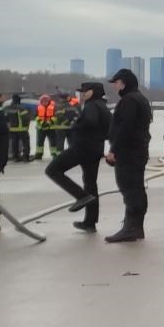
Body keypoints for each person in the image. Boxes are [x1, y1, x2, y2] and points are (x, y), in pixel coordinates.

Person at [45, 81, 110, 232]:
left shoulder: (91, 105)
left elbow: (90, 121)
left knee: (52, 170)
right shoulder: (103, 106)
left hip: (82, 147)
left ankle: (80, 196)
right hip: (95, 149)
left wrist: (76, 125)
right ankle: (90, 222)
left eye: (85, 91)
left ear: (92, 92)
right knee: (90, 184)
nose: (82, 93)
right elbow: (109, 127)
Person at [103, 68, 152, 243]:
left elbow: (126, 128)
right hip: (138, 151)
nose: (115, 87)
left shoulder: (129, 101)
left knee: (130, 189)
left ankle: (131, 228)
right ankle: (135, 227)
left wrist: (113, 150)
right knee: (136, 189)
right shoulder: (141, 99)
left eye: (116, 83)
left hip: (129, 153)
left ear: (123, 83)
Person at [4, 94, 31, 163]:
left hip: (12, 129)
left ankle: (15, 157)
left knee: (14, 143)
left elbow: (6, 118)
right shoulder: (22, 108)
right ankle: (26, 157)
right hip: (22, 129)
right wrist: (27, 126)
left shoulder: (8, 108)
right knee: (25, 143)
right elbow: (26, 118)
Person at [33, 94, 56, 160]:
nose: (44, 102)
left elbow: (55, 116)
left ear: (49, 101)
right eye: (43, 101)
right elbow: (36, 116)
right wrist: (42, 122)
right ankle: (39, 154)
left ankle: (54, 153)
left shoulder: (54, 107)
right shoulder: (38, 107)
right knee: (39, 142)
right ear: (41, 101)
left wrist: (49, 123)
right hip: (41, 128)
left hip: (51, 128)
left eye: (46, 101)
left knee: (53, 142)